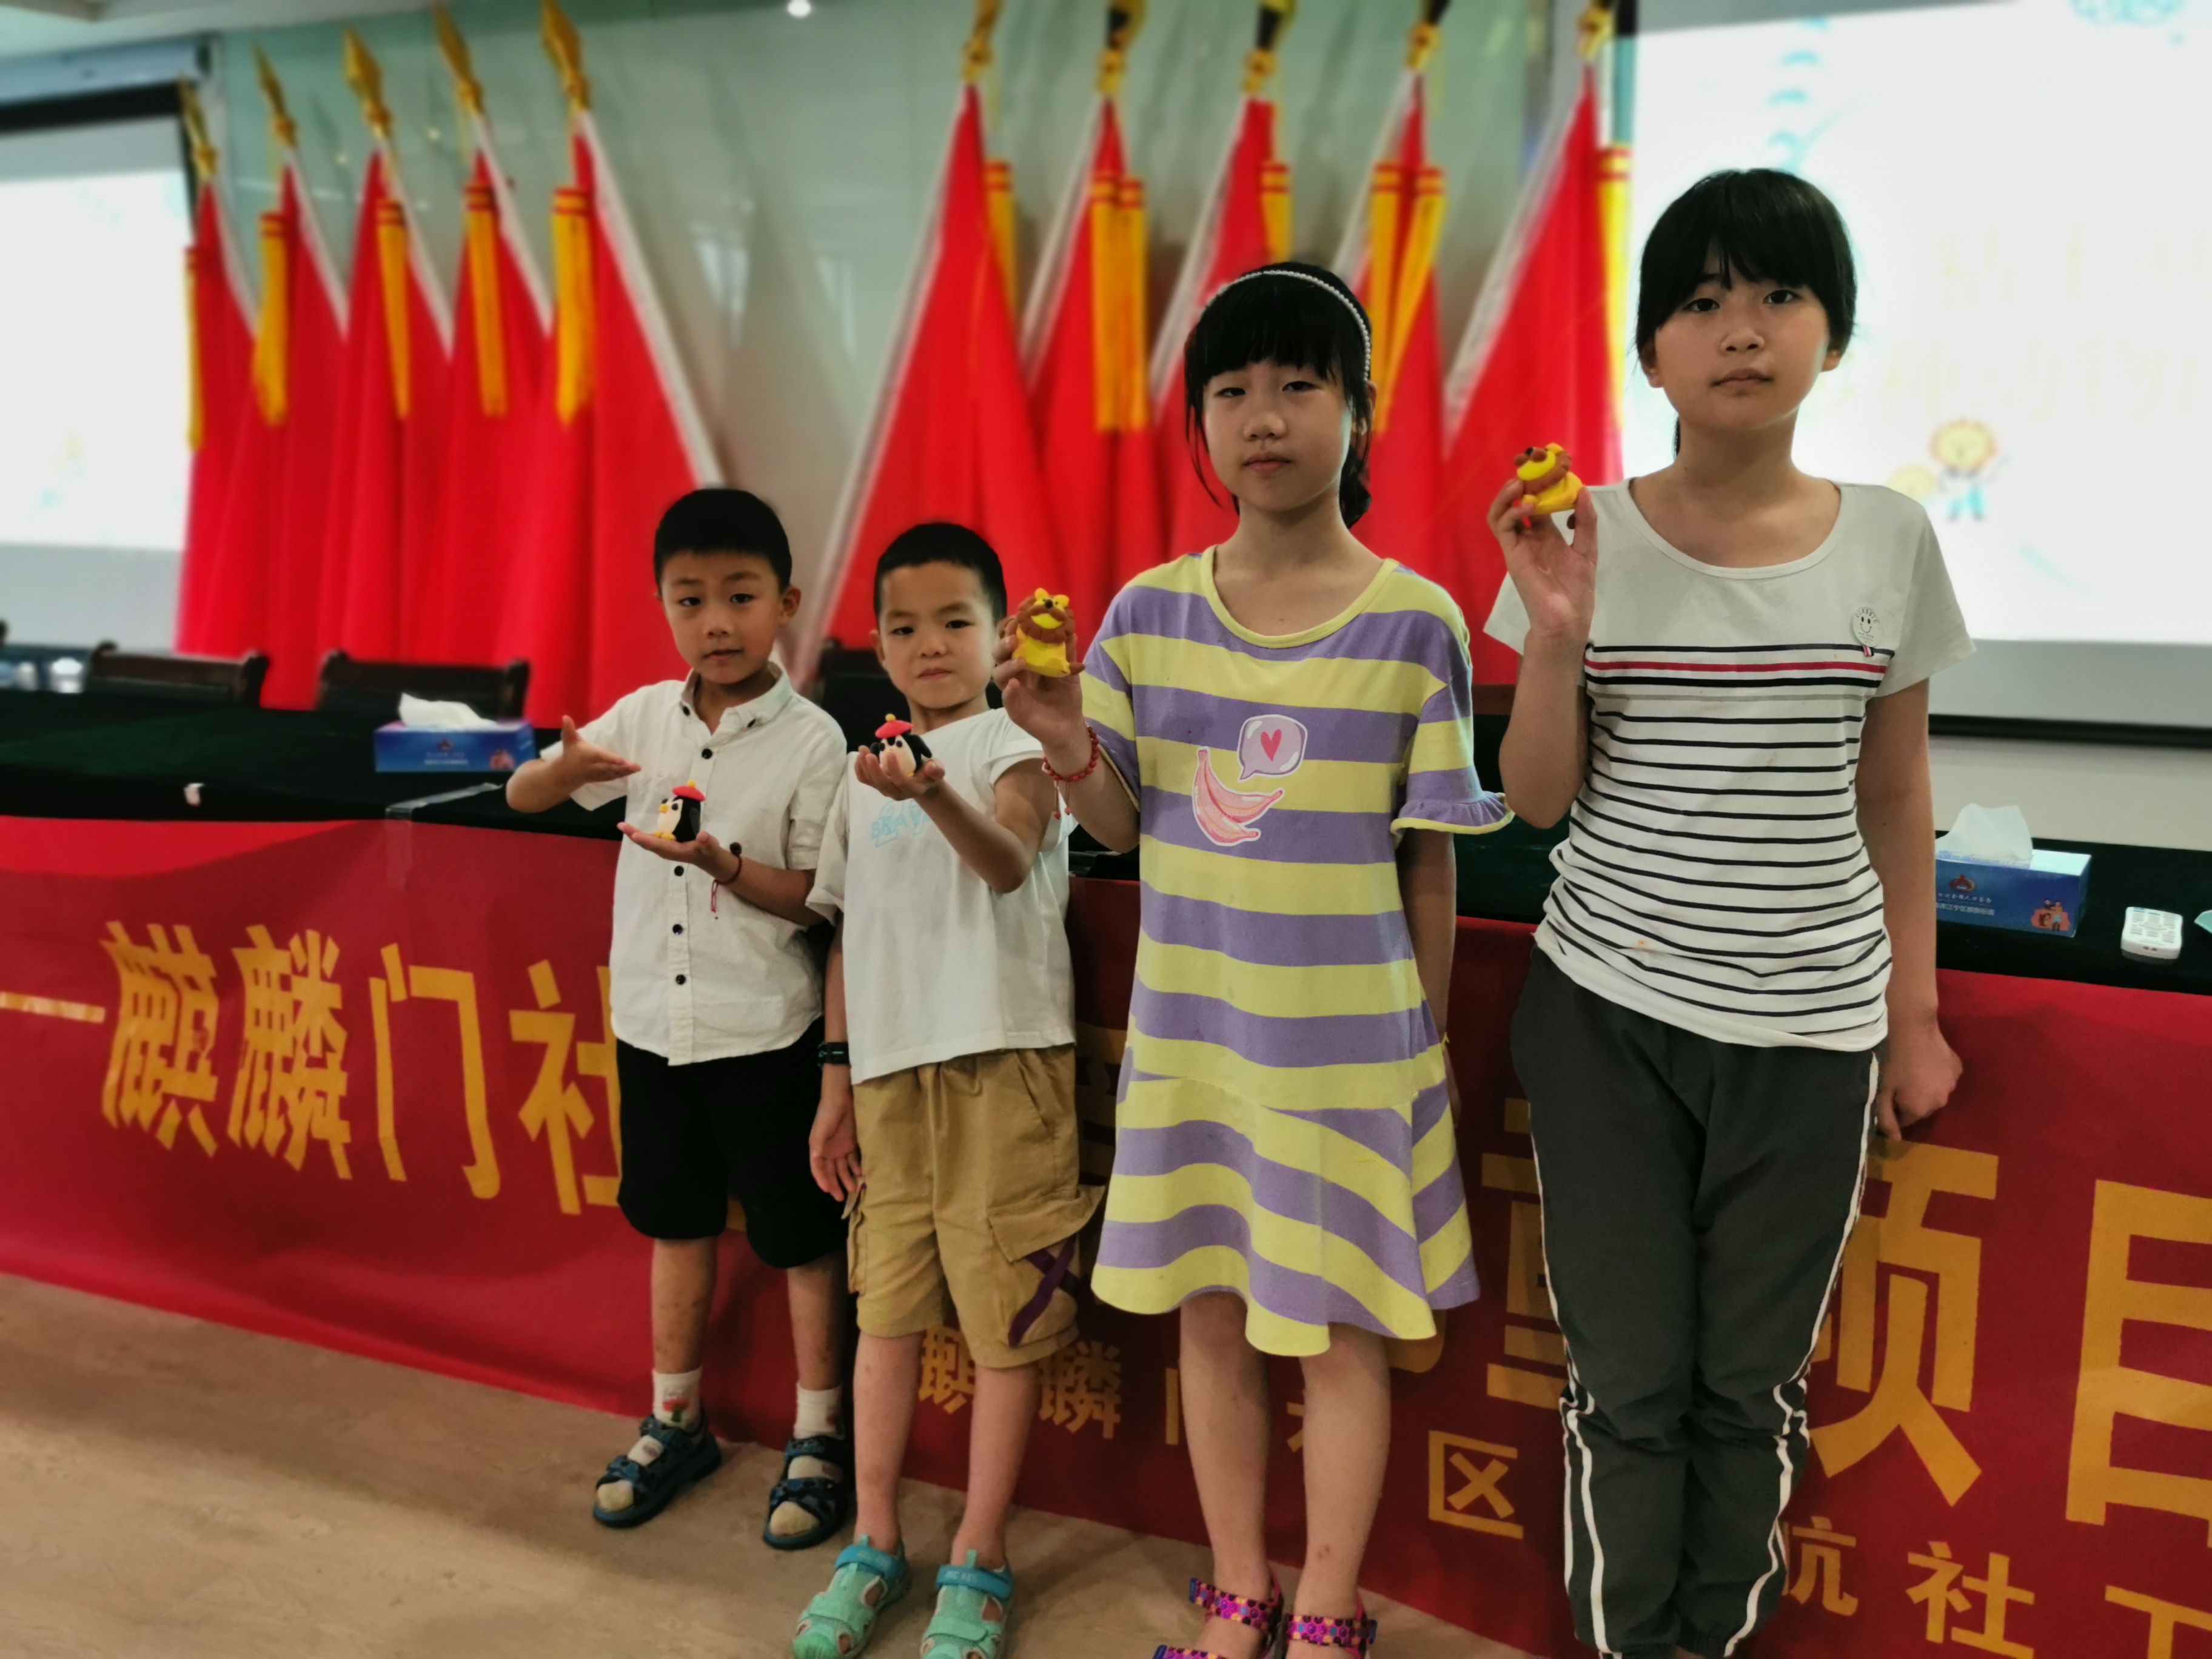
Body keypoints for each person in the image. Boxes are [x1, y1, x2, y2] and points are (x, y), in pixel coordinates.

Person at [1483, 170, 1971, 1659]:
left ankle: (1712, 1639)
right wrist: (1556, 635)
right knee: (1626, 1386)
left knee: (1747, 1389)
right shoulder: (1579, 536)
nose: (1741, 329)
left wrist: (1912, 1016)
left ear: (1834, 332)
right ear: (1651, 351)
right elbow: (1539, 800)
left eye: (1777, 295)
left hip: (1811, 1032)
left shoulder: (1889, 538)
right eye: (1700, 302)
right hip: (1608, 1019)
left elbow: (1896, 793)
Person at [998, 263, 1507, 1659]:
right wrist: (1065, 739)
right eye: (1230, 391)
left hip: (1349, 1058)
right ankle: (1239, 1591)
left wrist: (1426, 1043)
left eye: (1298, 384)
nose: (1264, 417)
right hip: (1199, 1045)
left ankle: (1329, 1608)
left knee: (1336, 1334)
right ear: (1200, 426)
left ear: (1359, 411)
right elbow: (1119, 827)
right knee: (1213, 1323)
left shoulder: (1416, 622)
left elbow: (1430, 859)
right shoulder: (1148, 615)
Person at [504, 488, 856, 1551]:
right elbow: (522, 798)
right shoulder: (643, 717)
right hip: (655, 1026)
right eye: (690, 599)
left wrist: (723, 865)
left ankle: (819, 1437)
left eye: (740, 597)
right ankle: (675, 1420)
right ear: (662, 605)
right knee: (676, 1223)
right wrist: (562, 768)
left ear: (786, 603)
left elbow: (822, 901)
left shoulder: (815, 741)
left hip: (766, 1030)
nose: (716, 622)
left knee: (801, 1241)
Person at [791, 522, 1096, 1659]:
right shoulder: (859, 772)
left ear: (999, 632)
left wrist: (928, 793)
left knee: (1005, 1325)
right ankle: (872, 1540)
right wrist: (836, 1080)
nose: (930, 645)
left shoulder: (1019, 740)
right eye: (905, 627)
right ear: (876, 645)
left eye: (955, 622)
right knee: (886, 1313)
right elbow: (846, 935)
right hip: (887, 1077)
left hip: (1005, 1064)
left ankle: (980, 1551)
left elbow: (1011, 861)